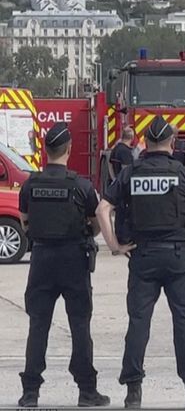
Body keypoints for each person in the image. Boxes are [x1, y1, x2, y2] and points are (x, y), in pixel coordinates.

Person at [96, 116, 185, 409]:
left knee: (138, 323)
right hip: (177, 259)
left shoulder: (130, 173)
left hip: (143, 257)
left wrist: (114, 246)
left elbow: (103, 209)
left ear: (144, 144)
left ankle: (133, 391)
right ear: (172, 144)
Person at [18, 122, 111, 408]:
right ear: (69, 149)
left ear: (45, 151)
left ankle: (30, 392)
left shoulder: (30, 184)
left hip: (42, 260)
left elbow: (25, 223)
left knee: (38, 326)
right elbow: (96, 226)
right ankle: (87, 391)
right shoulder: (81, 186)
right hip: (73, 260)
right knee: (80, 325)